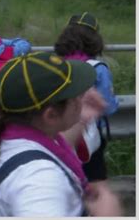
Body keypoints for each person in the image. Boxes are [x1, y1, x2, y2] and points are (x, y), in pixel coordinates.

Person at [0, 51, 122, 216]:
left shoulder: (16, 137)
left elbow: (58, 148)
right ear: (51, 115)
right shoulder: (39, 181)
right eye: (75, 94)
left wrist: (82, 116)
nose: (81, 96)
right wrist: (108, 214)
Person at [54, 12, 119, 190]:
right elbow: (108, 108)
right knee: (95, 185)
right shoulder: (98, 69)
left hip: (56, 133)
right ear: (95, 39)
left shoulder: (53, 65)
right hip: (87, 137)